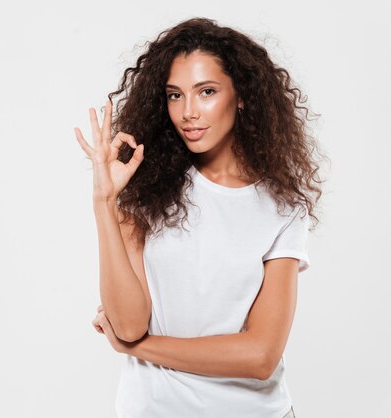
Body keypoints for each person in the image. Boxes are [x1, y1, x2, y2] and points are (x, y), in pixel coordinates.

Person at [74, 17, 325, 418]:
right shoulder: (148, 190)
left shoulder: (282, 208)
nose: (188, 112)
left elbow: (260, 355)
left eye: (206, 92)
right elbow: (128, 324)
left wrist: (138, 349)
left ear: (241, 95)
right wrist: (105, 201)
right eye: (175, 95)